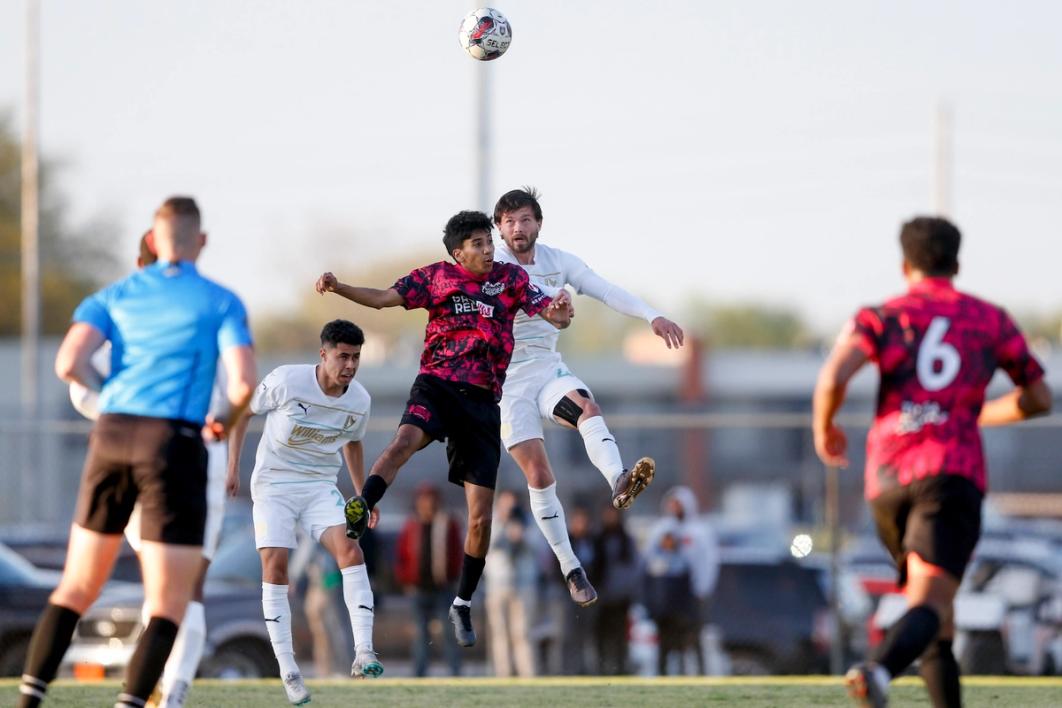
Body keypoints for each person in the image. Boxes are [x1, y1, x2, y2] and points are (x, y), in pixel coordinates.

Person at [19, 197, 256, 708]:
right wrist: (227, 421)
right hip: (173, 444)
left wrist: (114, 399)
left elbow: (68, 362)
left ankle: (26, 701)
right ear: (202, 241)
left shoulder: (114, 294)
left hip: (111, 435)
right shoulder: (220, 301)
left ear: (151, 241)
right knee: (171, 601)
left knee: (76, 587)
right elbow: (243, 385)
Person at [813, 216, 1051, 708]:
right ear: (957, 263)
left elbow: (835, 375)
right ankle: (878, 671)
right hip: (949, 474)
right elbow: (1039, 398)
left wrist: (825, 428)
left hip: (887, 480)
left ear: (905, 265)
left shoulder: (881, 315)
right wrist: (979, 413)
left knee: (940, 624)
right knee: (932, 604)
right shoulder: (989, 320)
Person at [314, 209, 571, 648]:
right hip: (437, 385)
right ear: (458, 253)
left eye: (490, 242)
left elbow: (551, 314)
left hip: (484, 403)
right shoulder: (435, 278)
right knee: (402, 441)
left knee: (479, 519)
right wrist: (339, 287)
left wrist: (561, 311)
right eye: (478, 244)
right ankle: (360, 509)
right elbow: (381, 298)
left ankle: (463, 603)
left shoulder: (510, 279)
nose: (489, 250)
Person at [491, 187, 685, 606]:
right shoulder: (495, 265)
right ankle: (570, 567)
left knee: (587, 407)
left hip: (546, 367)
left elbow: (603, 288)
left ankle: (618, 480)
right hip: (507, 382)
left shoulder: (558, 261)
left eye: (525, 219)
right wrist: (552, 307)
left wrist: (651, 314)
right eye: (508, 222)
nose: (517, 228)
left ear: (538, 223)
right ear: (499, 228)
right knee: (539, 476)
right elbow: (517, 296)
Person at [66, 231, 229, 708]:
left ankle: (157, 690)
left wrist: (122, 416)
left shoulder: (123, 311)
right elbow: (235, 392)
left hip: (131, 454)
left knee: (157, 586)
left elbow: (79, 384)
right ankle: (168, 692)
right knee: (183, 587)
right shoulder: (211, 308)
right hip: (196, 458)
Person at [227, 319, 384, 705]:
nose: (349, 365)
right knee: (275, 567)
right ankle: (289, 670)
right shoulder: (287, 381)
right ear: (324, 354)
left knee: (351, 551)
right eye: (343, 356)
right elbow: (242, 412)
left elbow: (353, 442)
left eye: (356, 358)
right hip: (273, 484)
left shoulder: (359, 398)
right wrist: (232, 469)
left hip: (318, 486)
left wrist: (364, 496)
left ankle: (364, 652)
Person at [646, 485, 719, 673]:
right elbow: (651, 561)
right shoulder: (661, 530)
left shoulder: (699, 532)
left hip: (692, 595)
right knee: (667, 641)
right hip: (669, 596)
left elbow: (708, 562)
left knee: (693, 638)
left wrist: (702, 588)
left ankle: (699, 674)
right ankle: (665, 676)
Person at [394, 483, 464, 677]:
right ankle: (420, 673)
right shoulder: (411, 525)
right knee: (420, 635)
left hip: (443, 588)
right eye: (424, 499)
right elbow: (401, 555)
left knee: (449, 633)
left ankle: (455, 672)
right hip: (418, 589)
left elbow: (458, 553)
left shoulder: (448, 523)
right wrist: (405, 579)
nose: (428, 503)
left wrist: (454, 577)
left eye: (432, 498)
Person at [483, 491, 538, 677]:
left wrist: (521, 533)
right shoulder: (491, 522)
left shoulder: (528, 522)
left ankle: (527, 674)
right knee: (500, 634)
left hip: (524, 585)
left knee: (522, 633)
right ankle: (503, 674)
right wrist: (502, 523)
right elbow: (482, 545)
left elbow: (540, 547)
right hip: (497, 585)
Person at [641, 519, 699, 676]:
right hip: (662, 613)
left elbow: (687, 590)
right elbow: (648, 587)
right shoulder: (653, 560)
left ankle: (681, 676)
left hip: (678, 613)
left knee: (679, 649)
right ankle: (662, 675)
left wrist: (688, 612)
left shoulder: (683, 561)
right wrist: (650, 608)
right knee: (662, 649)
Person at [591, 505, 640, 675]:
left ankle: (621, 667)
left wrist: (629, 590)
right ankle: (602, 668)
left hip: (621, 597)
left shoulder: (626, 540)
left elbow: (634, 568)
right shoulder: (598, 540)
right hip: (601, 597)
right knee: (602, 636)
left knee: (621, 636)